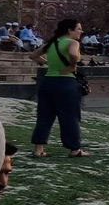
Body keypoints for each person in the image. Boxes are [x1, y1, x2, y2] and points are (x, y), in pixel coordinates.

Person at [29, 19, 89, 158]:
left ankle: (38, 149)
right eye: (79, 29)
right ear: (70, 30)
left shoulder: (52, 43)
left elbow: (33, 55)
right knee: (70, 117)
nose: (81, 31)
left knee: (44, 116)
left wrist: (48, 63)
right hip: (66, 82)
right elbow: (73, 54)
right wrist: (71, 66)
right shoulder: (73, 43)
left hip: (48, 82)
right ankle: (74, 149)